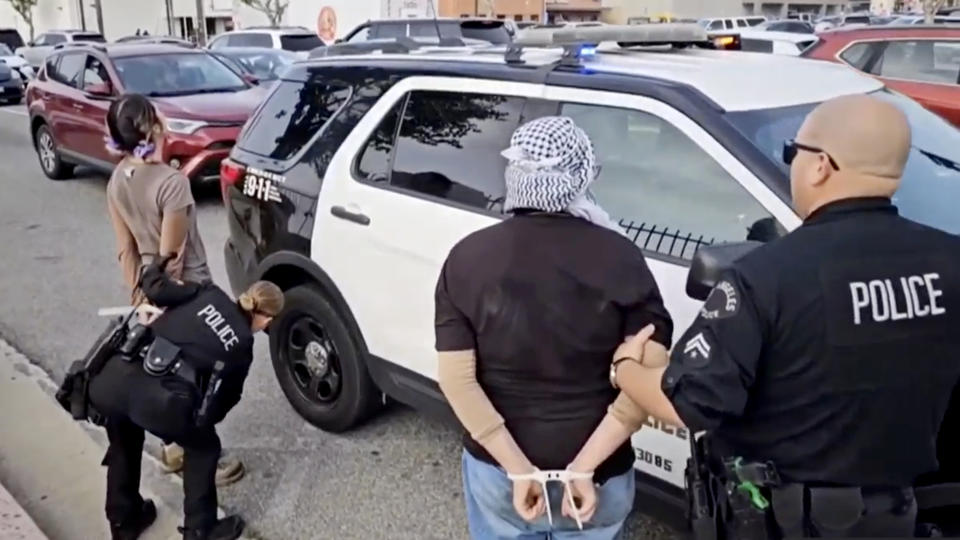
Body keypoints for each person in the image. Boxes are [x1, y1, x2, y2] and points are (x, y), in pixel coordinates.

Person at [611, 94, 960, 537]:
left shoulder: (765, 276)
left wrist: (624, 369)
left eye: (791, 151)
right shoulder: (950, 261)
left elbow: (689, 406)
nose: (792, 163)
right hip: (907, 515)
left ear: (821, 166)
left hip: (788, 523)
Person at [435, 116, 673, 539]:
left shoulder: (467, 258)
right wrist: (583, 468)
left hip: (499, 475)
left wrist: (519, 470)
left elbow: (458, 382)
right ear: (583, 175)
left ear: (515, 173)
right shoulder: (621, 258)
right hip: (600, 477)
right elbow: (650, 377)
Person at [88, 258, 284, 540]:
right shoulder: (242, 344)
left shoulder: (208, 293)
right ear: (266, 319)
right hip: (159, 402)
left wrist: (158, 265)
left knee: (124, 439)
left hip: (115, 377)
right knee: (204, 447)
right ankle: (200, 530)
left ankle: (124, 521)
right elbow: (224, 402)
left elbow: (155, 288)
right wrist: (198, 423)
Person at [104, 94, 243, 484]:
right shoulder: (172, 183)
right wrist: (169, 303)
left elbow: (125, 249)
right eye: (157, 116)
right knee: (198, 376)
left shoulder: (118, 179)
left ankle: (172, 448)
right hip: (187, 291)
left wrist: (139, 300)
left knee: (164, 371)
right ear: (153, 128)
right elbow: (173, 256)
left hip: (150, 293)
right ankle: (204, 460)